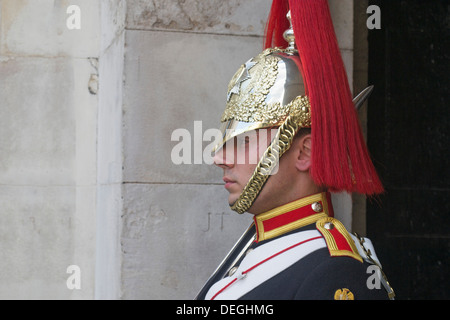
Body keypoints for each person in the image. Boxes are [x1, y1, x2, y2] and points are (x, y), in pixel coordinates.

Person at [195, 0, 394, 300]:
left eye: (244, 142)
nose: (220, 158)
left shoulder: (339, 274)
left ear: (304, 153)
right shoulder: (261, 250)